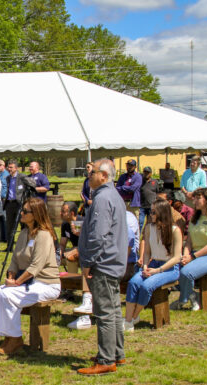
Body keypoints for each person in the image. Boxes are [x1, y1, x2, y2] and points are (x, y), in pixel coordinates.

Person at [0, 197, 61, 354]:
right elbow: (15, 259)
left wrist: (17, 283)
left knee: (8, 295)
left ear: (36, 214)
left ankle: (15, 339)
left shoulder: (44, 235)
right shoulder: (24, 233)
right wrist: (11, 276)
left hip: (46, 284)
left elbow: (36, 266)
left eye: (25, 211)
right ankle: (7, 336)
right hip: (28, 283)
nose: (21, 213)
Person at [77, 159, 128, 376]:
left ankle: (107, 359)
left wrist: (88, 262)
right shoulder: (112, 195)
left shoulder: (103, 198)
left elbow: (99, 235)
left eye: (92, 173)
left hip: (103, 263)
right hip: (113, 261)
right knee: (114, 309)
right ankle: (116, 353)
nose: (89, 176)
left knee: (105, 313)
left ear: (104, 176)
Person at [124, 198, 182, 332]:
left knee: (146, 286)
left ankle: (133, 316)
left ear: (162, 213)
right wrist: (145, 266)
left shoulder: (175, 230)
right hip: (152, 263)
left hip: (168, 268)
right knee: (133, 283)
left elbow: (176, 258)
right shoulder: (150, 227)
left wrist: (158, 270)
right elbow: (147, 252)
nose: (151, 215)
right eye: (151, 211)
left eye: (153, 212)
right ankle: (128, 321)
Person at [171, 188, 207, 311]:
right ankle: (193, 296)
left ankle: (184, 300)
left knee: (186, 272)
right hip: (195, 255)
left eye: (198, 197)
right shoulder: (195, 219)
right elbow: (189, 241)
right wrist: (185, 255)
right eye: (194, 197)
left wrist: (192, 257)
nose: (194, 200)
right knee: (175, 267)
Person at [59, 202, 93, 330]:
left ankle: (72, 288)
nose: (61, 213)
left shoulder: (80, 222)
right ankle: (68, 288)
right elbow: (63, 243)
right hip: (73, 251)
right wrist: (60, 253)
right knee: (65, 259)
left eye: (64, 211)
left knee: (71, 258)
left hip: (84, 253)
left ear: (72, 213)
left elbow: (84, 244)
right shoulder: (65, 225)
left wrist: (73, 252)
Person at [4, 159, 29, 249]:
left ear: (16, 168)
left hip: (20, 204)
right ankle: (9, 247)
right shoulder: (8, 178)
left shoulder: (22, 177)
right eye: (8, 167)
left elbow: (32, 184)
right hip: (10, 204)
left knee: (23, 225)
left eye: (11, 167)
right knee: (9, 226)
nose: (9, 169)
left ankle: (24, 245)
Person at [0, 159, 9, 243]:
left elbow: (7, 187)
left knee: (5, 219)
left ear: (3, 165)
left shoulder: (6, 175)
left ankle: (5, 237)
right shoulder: (0, 175)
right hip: (0, 199)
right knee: (2, 219)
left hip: (4, 199)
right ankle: (2, 237)